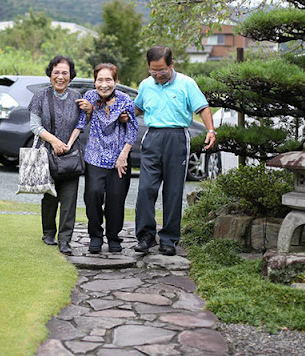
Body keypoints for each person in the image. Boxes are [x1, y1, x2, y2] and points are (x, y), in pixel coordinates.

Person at [133, 45, 216, 256]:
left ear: (171, 65)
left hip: (177, 138)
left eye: (162, 70)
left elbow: (203, 107)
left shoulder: (186, 84)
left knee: (173, 191)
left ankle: (169, 239)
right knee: (145, 189)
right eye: (153, 70)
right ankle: (145, 236)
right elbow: (137, 108)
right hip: (152, 138)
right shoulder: (145, 85)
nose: (158, 74)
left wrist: (210, 130)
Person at [67, 63, 138, 253]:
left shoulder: (125, 100)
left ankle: (114, 237)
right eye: (100, 80)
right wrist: (68, 143)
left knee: (116, 199)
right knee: (93, 195)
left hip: (119, 159)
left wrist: (123, 156)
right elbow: (81, 123)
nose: (104, 84)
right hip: (95, 156)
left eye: (108, 80)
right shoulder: (90, 97)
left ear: (115, 81)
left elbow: (133, 131)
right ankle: (95, 236)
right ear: (94, 81)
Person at [28, 55, 85, 255]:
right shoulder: (40, 96)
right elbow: (34, 125)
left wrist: (68, 144)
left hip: (71, 153)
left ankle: (65, 240)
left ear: (71, 76)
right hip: (47, 154)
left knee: (69, 199)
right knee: (50, 196)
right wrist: (54, 141)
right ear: (50, 74)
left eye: (65, 73)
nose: (60, 76)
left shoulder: (77, 96)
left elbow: (82, 123)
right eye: (56, 72)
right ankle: (48, 233)